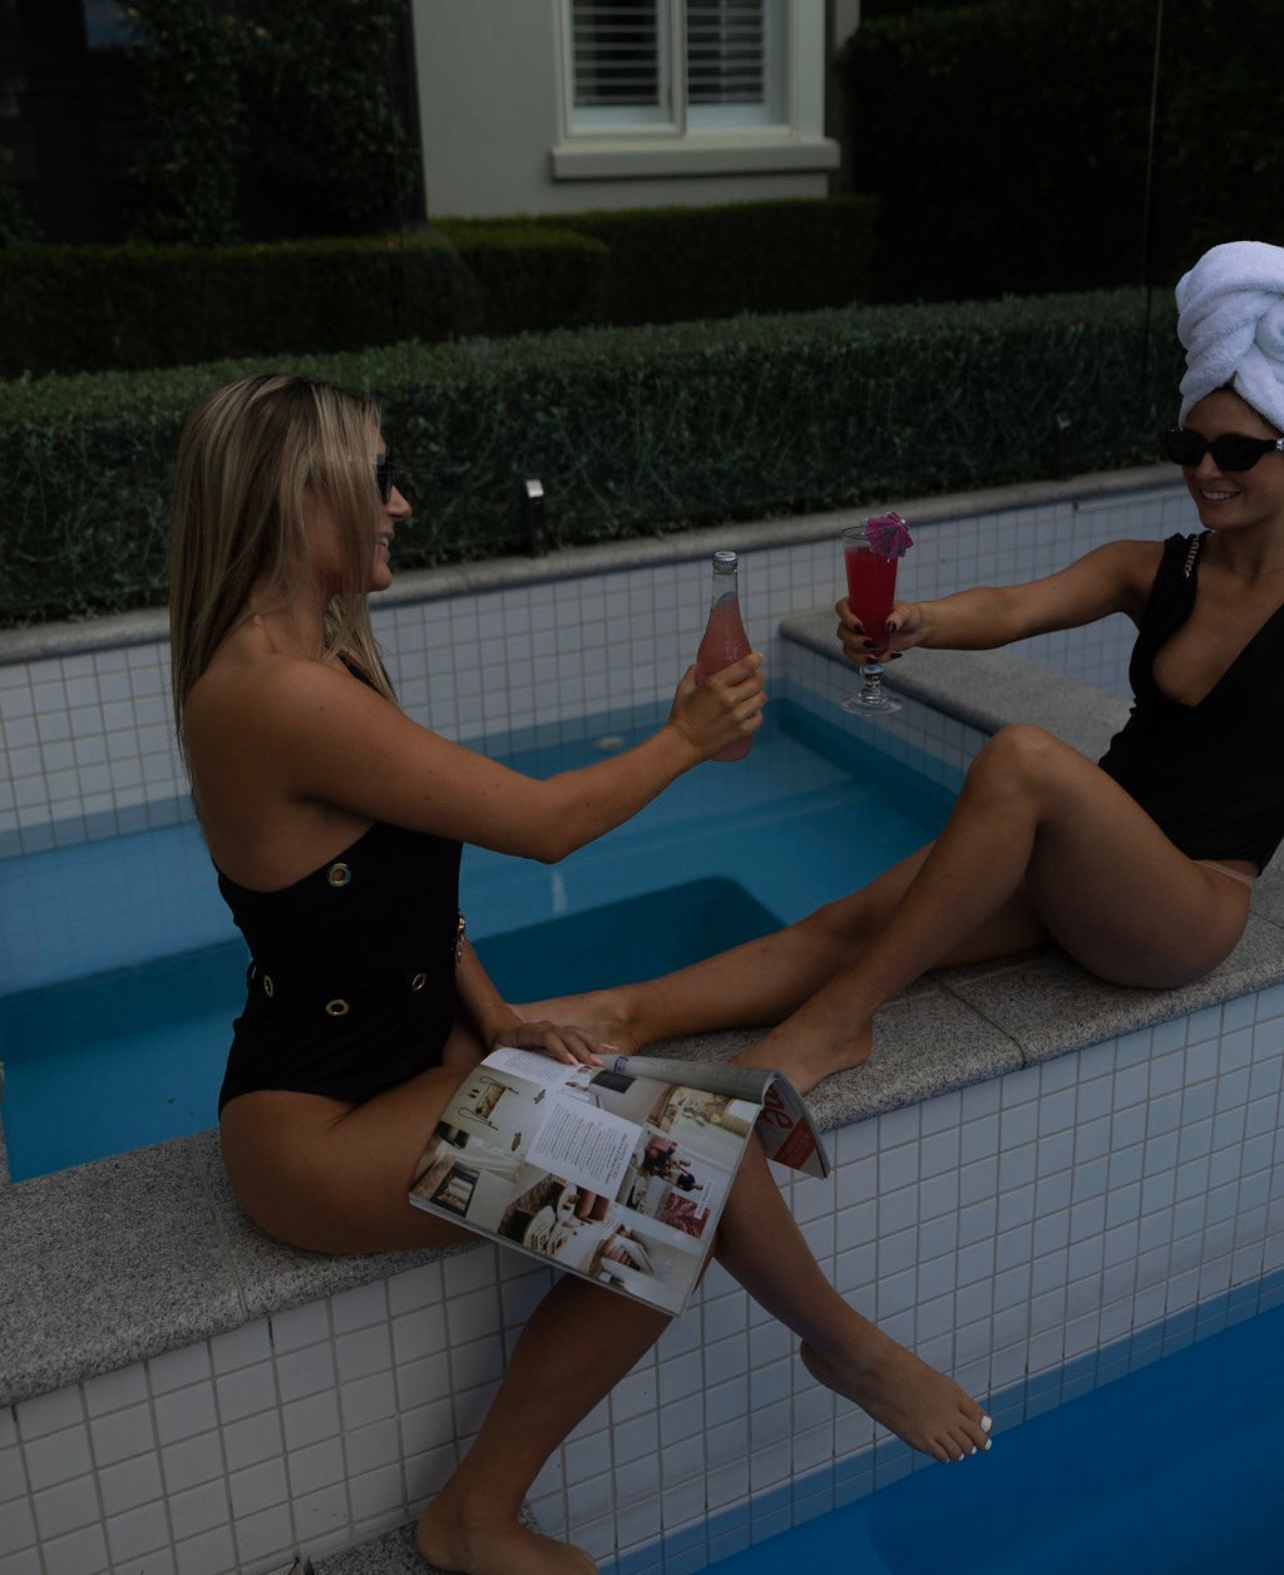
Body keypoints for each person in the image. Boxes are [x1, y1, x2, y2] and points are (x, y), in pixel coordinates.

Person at [169, 374, 991, 1575]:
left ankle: (491, 1504)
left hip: (411, 1061)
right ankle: (819, 1359)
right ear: (302, 500)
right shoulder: (274, 691)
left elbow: (403, 897)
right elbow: (544, 824)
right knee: (684, 1162)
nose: (400, 503)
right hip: (314, 1124)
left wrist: (500, 1019)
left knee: (692, 1134)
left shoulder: (320, 661)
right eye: (378, 478)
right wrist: (686, 739)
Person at [523, 241, 1284, 1095]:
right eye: (1189, 445)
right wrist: (918, 623)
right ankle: (616, 1012)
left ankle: (838, 1025)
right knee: (852, 920)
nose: (1205, 471)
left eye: (1238, 453)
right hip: (1082, 869)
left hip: (1183, 908)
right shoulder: (1155, 568)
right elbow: (1013, 607)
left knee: (1025, 758)